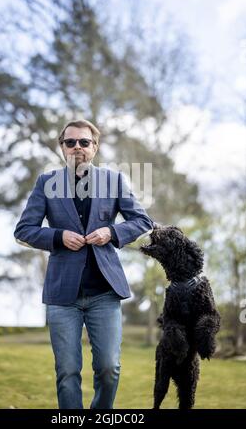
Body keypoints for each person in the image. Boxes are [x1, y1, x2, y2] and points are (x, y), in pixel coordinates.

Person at [14, 119, 154, 409]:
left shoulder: (114, 181)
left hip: (105, 292)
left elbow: (142, 221)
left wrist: (112, 232)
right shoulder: (46, 183)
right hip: (62, 295)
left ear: (95, 147)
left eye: (84, 142)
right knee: (67, 372)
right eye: (70, 142)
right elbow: (24, 230)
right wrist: (58, 236)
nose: (77, 147)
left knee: (109, 368)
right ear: (62, 147)